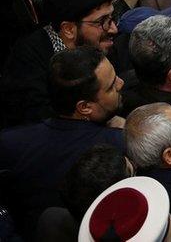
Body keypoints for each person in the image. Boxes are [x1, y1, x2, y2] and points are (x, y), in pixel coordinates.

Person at [0, 46, 125, 235]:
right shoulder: (119, 145)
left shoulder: (9, 143)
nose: (121, 84)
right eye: (111, 86)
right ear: (84, 107)